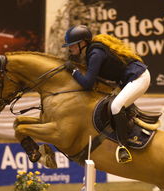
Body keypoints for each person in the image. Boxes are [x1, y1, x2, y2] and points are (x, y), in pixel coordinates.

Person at [62, 25, 150, 164]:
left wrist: (73, 70)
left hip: (138, 77)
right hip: (128, 80)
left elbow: (87, 84)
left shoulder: (95, 53)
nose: (69, 48)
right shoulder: (92, 52)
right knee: (111, 103)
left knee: (116, 107)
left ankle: (124, 147)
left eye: (72, 45)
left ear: (82, 43)